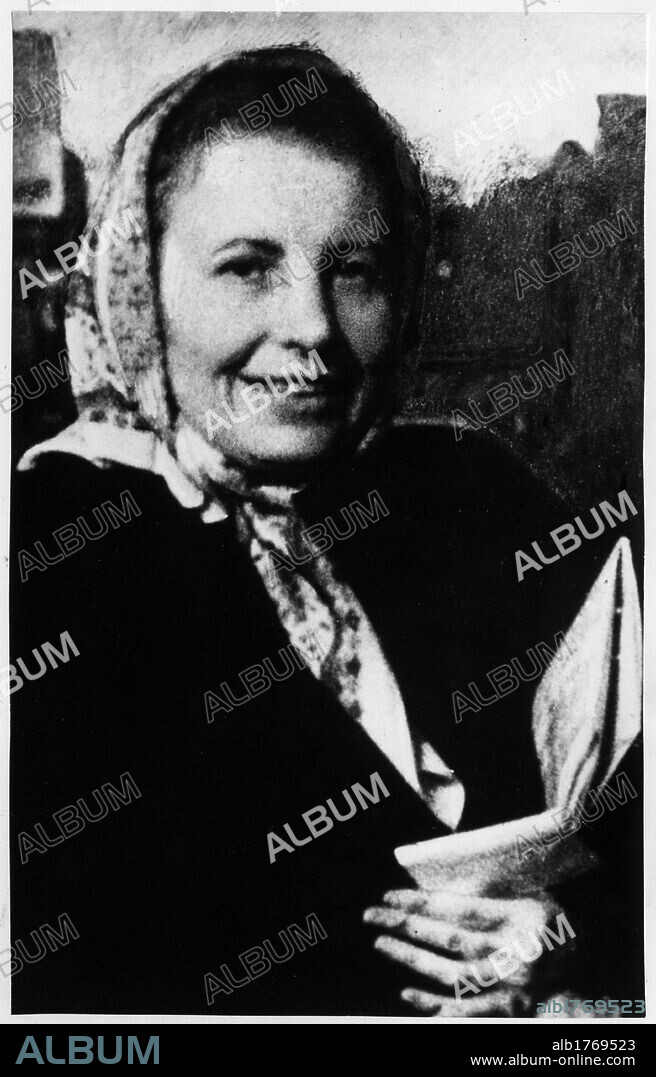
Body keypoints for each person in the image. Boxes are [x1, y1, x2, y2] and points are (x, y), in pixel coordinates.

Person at [9, 45, 642, 1017]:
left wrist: (572, 955)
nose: (310, 323)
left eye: (353, 270)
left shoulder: (473, 489)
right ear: (139, 285)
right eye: (247, 267)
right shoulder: (52, 550)